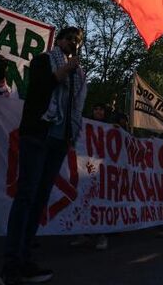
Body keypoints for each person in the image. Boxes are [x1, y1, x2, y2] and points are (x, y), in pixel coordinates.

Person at [0, 27, 86, 285]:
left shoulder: (77, 76)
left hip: (59, 141)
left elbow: (75, 106)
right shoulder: (43, 61)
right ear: (59, 40)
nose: (74, 45)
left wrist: (71, 134)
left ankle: (25, 259)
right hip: (38, 135)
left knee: (39, 199)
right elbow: (38, 90)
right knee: (26, 196)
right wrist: (64, 72)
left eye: (78, 42)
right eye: (70, 39)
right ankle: (10, 265)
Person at [70, 103, 109, 251]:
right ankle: (83, 234)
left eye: (101, 109)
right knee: (84, 200)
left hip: (103, 170)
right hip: (86, 169)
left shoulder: (110, 128)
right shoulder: (84, 125)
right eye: (96, 108)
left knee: (101, 203)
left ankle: (102, 235)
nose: (99, 110)